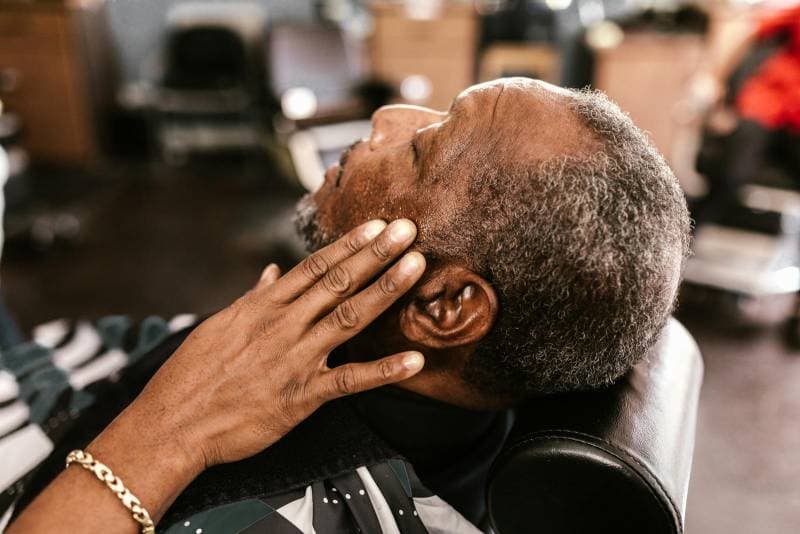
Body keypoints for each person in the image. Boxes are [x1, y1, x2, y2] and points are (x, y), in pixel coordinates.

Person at [3, 77, 690, 533]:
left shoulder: (277, 516)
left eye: (421, 149)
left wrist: (165, 432)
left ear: (445, 306)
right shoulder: (444, 391)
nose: (387, 117)